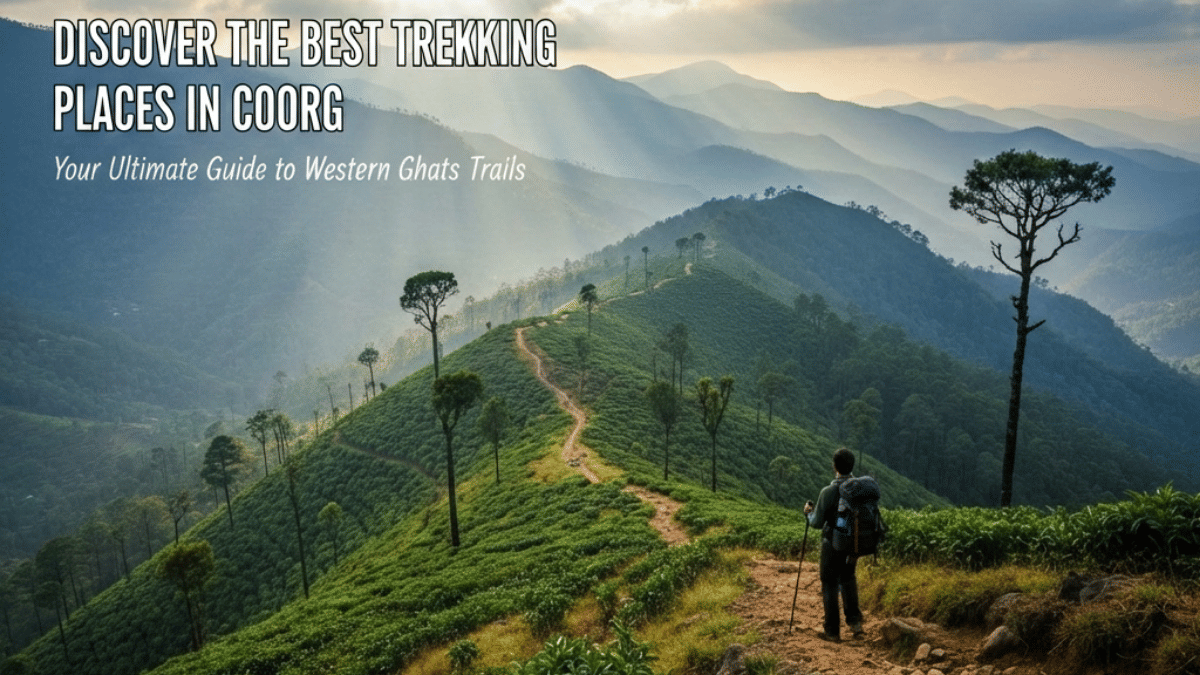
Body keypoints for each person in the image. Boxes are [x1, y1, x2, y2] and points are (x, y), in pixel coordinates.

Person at [803, 447, 866, 642]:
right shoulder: (860, 490)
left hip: (831, 544)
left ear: (835, 467)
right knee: (848, 579)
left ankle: (832, 631)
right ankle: (856, 624)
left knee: (830, 584)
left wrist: (807, 513)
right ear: (852, 466)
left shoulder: (828, 492)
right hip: (853, 544)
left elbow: (816, 523)